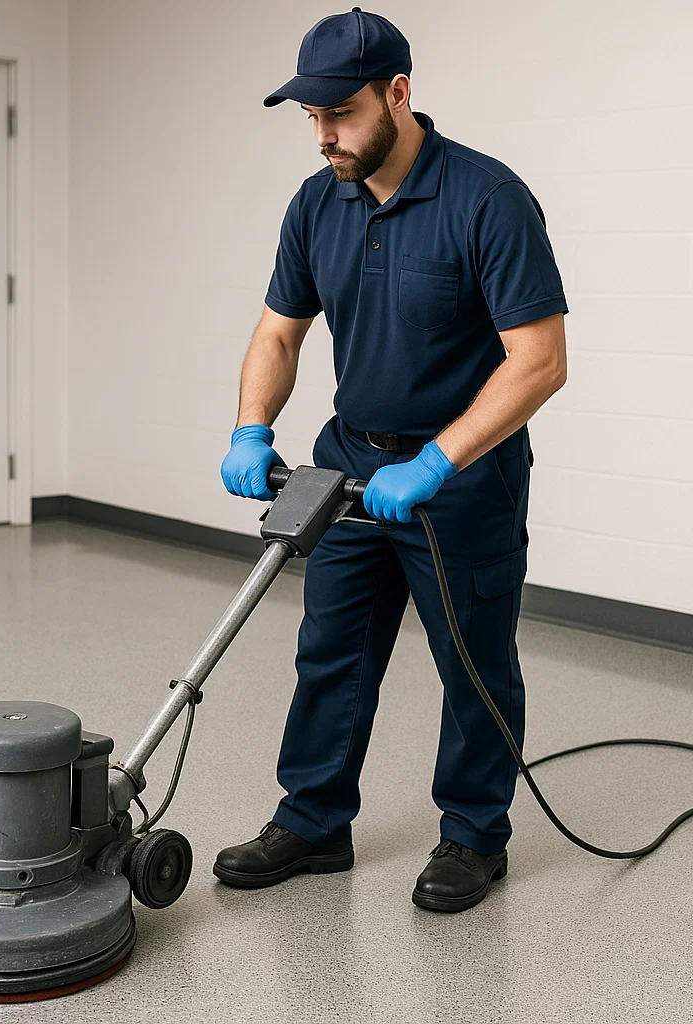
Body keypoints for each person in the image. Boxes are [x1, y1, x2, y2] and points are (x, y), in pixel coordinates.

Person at [214, 7, 569, 913]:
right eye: (311, 117)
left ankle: (474, 837)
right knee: (331, 650)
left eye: (341, 113)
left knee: (473, 662)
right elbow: (278, 333)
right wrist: (252, 425)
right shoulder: (315, 202)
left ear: (398, 94)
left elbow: (540, 360)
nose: (326, 135)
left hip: (461, 475)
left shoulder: (488, 200)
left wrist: (440, 464)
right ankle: (314, 821)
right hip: (347, 466)